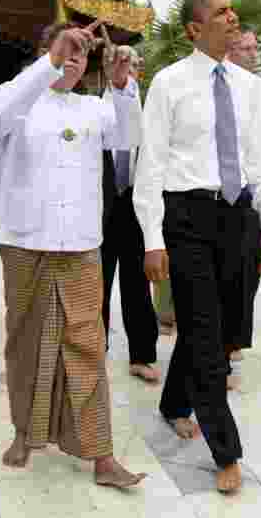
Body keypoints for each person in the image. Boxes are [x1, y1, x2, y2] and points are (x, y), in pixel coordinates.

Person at [134, 0, 261, 494]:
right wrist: (153, 238)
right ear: (196, 29)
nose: (232, 16)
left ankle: (174, 402)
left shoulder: (249, 88)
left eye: (230, 10)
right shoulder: (169, 85)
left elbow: (257, 159)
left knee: (221, 332)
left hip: (238, 217)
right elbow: (150, 166)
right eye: (220, 12)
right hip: (188, 218)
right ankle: (226, 452)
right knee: (203, 332)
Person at [0, 20, 146, 489]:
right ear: (45, 52)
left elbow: (128, 136)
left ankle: (101, 456)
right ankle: (24, 432)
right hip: (25, 243)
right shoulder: (12, 99)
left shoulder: (93, 110)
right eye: (65, 52)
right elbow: (6, 109)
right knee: (26, 344)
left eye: (81, 55)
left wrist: (121, 86)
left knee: (87, 347)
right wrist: (52, 58)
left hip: (79, 246)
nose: (73, 62)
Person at [100, 42, 160, 384]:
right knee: (98, 284)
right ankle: (95, 351)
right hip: (102, 205)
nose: (124, 68)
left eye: (130, 63)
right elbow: (117, 129)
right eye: (116, 62)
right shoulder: (97, 103)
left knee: (138, 285)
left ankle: (142, 354)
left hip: (137, 204)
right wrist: (117, 86)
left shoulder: (149, 104)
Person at [225, 29, 261, 375]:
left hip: (253, 194)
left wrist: (259, 170)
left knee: (247, 277)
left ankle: (233, 343)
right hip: (216, 196)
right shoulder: (215, 88)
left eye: (254, 47)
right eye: (244, 48)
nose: (252, 53)